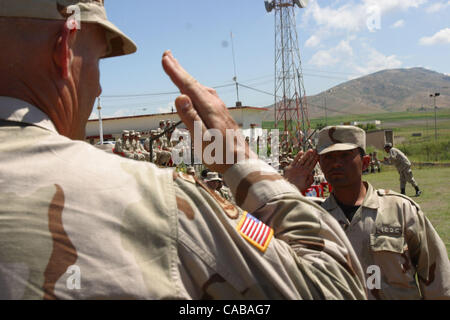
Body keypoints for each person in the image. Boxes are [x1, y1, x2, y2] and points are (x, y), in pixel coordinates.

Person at [0, 1, 366, 300]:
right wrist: (237, 157)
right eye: (95, 60)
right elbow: (335, 287)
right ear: (65, 49)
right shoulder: (156, 203)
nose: (98, 90)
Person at [285, 126, 450, 299]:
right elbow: (264, 250)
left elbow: (439, 281)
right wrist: (288, 187)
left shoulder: (401, 210)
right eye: (328, 157)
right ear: (320, 164)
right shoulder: (311, 217)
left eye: (345, 155)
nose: (335, 163)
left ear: (364, 163)